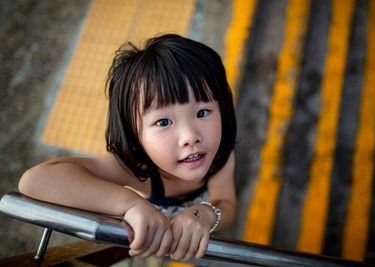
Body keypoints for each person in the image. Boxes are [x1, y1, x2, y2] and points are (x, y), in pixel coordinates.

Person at [19, 34, 237, 262]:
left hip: (207, 240)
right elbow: (35, 180)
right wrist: (130, 204)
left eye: (202, 112)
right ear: (135, 134)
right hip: (162, 247)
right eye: (163, 122)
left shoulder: (221, 150)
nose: (191, 137)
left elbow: (226, 202)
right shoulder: (135, 166)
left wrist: (207, 214)